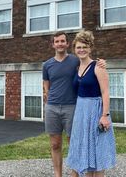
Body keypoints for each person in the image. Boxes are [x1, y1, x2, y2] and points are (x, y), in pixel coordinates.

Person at [43, 31, 105, 177]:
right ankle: (58, 174)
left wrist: (101, 62)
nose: (60, 44)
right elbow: (46, 85)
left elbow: (89, 63)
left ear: (67, 43)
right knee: (55, 144)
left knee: (75, 143)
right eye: (57, 41)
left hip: (72, 107)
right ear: (53, 44)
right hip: (52, 108)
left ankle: (75, 173)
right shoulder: (47, 65)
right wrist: (48, 98)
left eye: (62, 41)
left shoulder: (74, 60)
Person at [66, 30, 116, 177]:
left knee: (97, 151)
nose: (81, 50)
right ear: (74, 49)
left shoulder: (98, 67)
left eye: (85, 47)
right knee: (83, 149)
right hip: (81, 112)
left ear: (90, 48)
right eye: (78, 47)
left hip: (96, 111)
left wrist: (105, 116)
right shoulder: (76, 67)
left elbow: (106, 92)